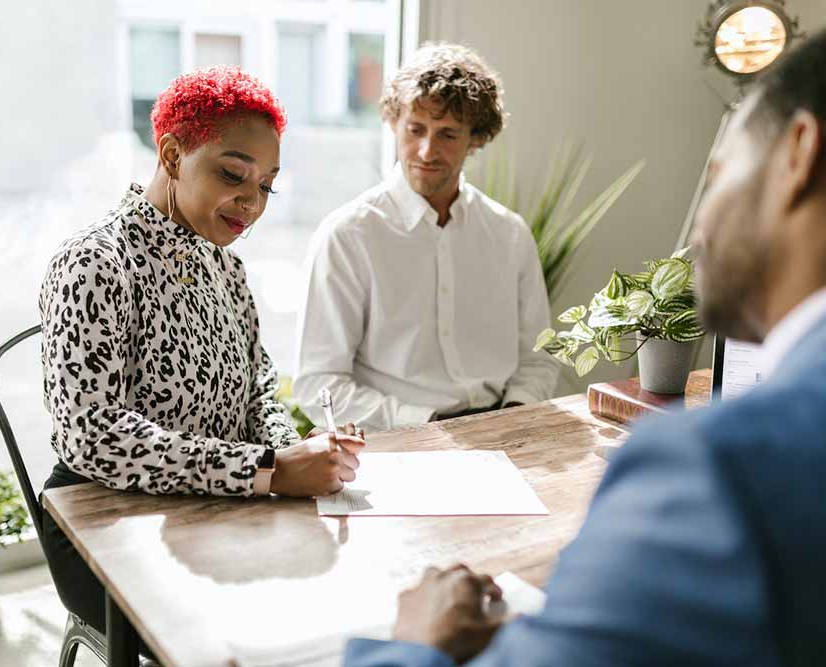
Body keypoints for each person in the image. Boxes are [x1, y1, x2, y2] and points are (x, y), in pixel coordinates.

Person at [343, 29, 826, 667]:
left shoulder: (711, 468)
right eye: (416, 128)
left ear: (798, 155)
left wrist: (411, 646)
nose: (701, 222)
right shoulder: (350, 234)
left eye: (719, 175)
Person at [38, 66, 364, 634]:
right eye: (234, 174)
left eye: (266, 184)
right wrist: (267, 470)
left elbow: (258, 383)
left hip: (222, 509)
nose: (252, 202)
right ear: (170, 156)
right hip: (106, 525)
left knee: (352, 592)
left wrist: (295, 455)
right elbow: (92, 437)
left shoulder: (225, 266)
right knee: (271, 626)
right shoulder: (95, 262)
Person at [293, 43, 558, 432]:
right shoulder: (348, 236)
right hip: (399, 439)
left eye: (448, 134)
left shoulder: (509, 235)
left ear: (477, 139)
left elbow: (538, 358)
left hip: (506, 429)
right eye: (415, 129)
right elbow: (319, 383)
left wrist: (513, 416)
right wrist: (427, 424)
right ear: (393, 123)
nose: (427, 150)